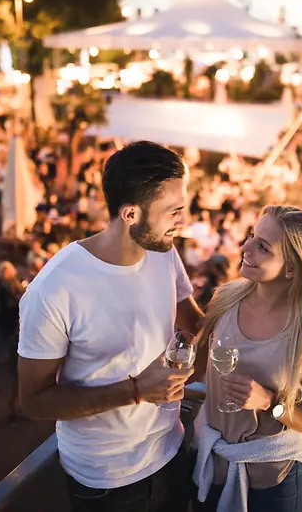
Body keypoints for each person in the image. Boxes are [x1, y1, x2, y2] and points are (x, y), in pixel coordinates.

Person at [17, 141, 204, 512]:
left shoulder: (163, 253)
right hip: (106, 480)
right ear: (131, 214)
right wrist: (137, 390)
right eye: (174, 211)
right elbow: (33, 401)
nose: (182, 222)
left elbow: (196, 324)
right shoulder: (55, 287)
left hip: (172, 451)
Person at [191, 205, 302, 512]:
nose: (245, 248)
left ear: (292, 268)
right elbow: (197, 366)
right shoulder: (225, 299)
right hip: (214, 464)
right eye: (251, 237)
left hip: (277, 482)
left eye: (262, 246)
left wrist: (270, 402)